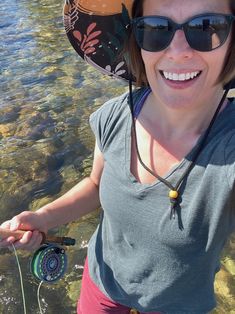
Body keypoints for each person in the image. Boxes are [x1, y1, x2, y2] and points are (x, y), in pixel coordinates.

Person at [1, 0, 235, 313]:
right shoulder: (115, 115)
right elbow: (96, 183)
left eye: (207, 28)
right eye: (155, 29)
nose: (178, 51)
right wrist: (44, 218)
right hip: (103, 281)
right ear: (136, 42)